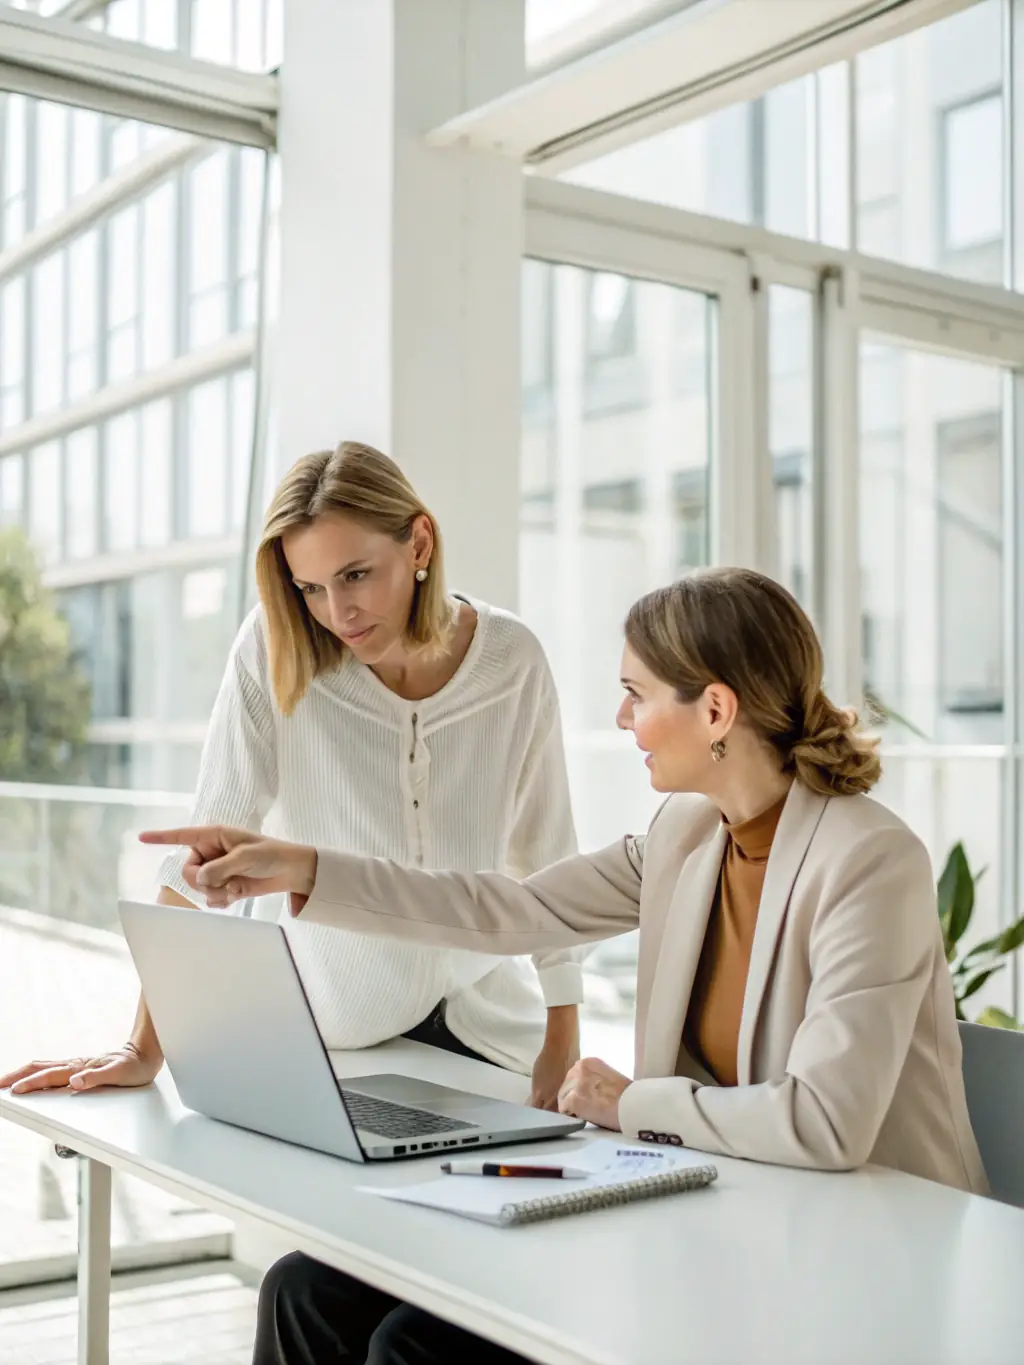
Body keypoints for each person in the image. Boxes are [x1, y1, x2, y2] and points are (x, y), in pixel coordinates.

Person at [140, 566, 987, 1365]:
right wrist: (306, 869)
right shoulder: (685, 834)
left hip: (857, 1252)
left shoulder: (870, 862)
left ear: (717, 710)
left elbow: (826, 1124)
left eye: (637, 694)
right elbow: (514, 908)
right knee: (304, 1291)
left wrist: (629, 1102)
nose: (622, 720)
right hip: (714, 1204)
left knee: (413, 1349)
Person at [0, 441, 584, 1109]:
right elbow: (205, 855)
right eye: (311, 587)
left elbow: (548, 856)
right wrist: (143, 1047)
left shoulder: (512, 660)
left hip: (490, 1034)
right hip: (334, 1043)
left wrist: (562, 1031)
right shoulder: (275, 650)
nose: (338, 612)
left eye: (357, 575)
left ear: (419, 543)